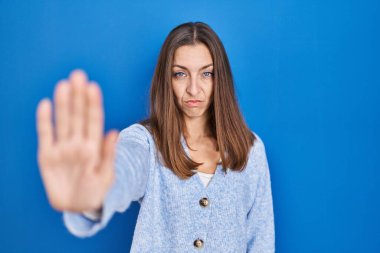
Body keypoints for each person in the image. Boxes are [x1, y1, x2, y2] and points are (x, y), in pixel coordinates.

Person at [36, 21, 275, 252]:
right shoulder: (145, 142)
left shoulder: (251, 149)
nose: (194, 89)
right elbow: (125, 167)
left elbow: (261, 241)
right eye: (180, 74)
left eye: (206, 74)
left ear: (220, 79)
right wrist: (94, 197)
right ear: (166, 80)